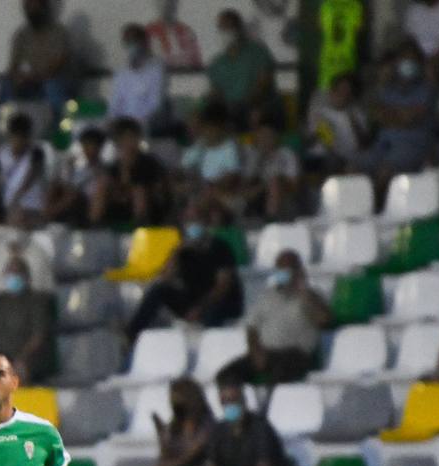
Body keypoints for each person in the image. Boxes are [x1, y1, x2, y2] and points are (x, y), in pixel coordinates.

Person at [126, 199, 243, 341]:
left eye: (196, 219)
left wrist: (200, 307)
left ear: (205, 222)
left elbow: (223, 286)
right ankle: (131, 334)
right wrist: (176, 252)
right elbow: (165, 277)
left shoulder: (220, 248)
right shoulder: (183, 250)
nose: (192, 224)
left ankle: (210, 348)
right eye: (189, 220)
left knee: (215, 312)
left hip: (219, 302)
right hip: (194, 299)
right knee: (158, 290)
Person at [219, 250, 331, 387]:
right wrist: (255, 351)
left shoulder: (311, 297)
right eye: (279, 268)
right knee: (226, 376)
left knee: (279, 376)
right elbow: (252, 327)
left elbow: (324, 321)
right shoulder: (267, 296)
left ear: (298, 271)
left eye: (287, 268)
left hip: (295, 355)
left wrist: (305, 294)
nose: (282, 272)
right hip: (265, 352)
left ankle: (270, 407)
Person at [363, 41, 438, 203]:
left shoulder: (426, 89)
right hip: (383, 145)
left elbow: (409, 120)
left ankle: (376, 214)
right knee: (354, 168)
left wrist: (390, 114)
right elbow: (378, 116)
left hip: (412, 147)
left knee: (384, 173)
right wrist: (398, 114)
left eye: (412, 60)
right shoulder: (388, 88)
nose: (407, 64)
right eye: (404, 59)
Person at [203, 374, 296, 466]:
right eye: (225, 402)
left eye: (234, 400)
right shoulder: (219, 430)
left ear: (243, 400)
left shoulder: (260, 427)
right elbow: (211, 464)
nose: (229, 405)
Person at [0, 257, 56, 385]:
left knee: (18, 369)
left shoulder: (37, 301)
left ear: (27, 276)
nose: (13, 276)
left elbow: (38, 337)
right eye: (10, 272)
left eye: (17, 273)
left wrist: (21, 358)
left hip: (26, 358)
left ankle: (19, 404)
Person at [0, 0, 73, 123]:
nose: (31, 11)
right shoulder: (21, 35)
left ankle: (57, 130)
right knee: (6, 85)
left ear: (44, 8)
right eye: (28, 7)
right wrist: (17, 78)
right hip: (27, 84)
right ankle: (7, 129)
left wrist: (35, 77)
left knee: (52, 86)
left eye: (35, 6)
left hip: (52, 80)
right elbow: (12, 66)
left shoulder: (58, 32)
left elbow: (58, 64)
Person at [206, 9, 280, 130]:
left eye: (228, 27)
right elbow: (215, 92)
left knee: (256, 113)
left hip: (257, 106)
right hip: (229, 111)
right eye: (221, 28)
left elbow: (262, 85)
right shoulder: (217, 63)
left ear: (238, 29)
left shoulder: (258, 52)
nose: (224, 32)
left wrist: (245, 105)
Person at [93, 117, 170, 226]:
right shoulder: (115, 164)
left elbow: (156, 188)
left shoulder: (150, 162)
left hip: (149, 203)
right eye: (125, 138)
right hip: (122, 200)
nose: (130, 142)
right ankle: (94, 226)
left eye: (133, 137)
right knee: (101, 187)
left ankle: (138, 226)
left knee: (138, 192)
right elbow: (116, 184)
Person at [178, 101, 243, 211]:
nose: (209, 132)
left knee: (211, 194)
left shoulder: (230, 148)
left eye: (213, 128)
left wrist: (210, 186)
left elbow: (232, 177)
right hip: (198, 189)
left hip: (220, 191)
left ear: (221, 128)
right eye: (207, 128)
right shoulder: (198, 147)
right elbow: (182, 170)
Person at [305, 72, 370, 175]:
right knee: (333, 162)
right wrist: (321, 132)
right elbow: (309, 142)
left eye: (348, 90)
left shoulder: (356, 113)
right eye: (340, 89)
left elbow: (363, 144)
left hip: (351, 158)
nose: (343, 93)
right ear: (333, 91)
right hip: (323, 156)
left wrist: (353, 123)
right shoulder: (320, 112)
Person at [109, 24, 170, 135]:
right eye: (127, 41)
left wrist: (137, 121)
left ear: (144, 42)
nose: (131, 45)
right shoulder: (121, 73)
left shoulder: (157, 69)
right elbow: (115, 104)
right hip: (123, 125)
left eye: (134, 40)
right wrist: (112, 120)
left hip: (147, 124)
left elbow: (156, 104)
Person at [0, 113, 48, 229]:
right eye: (17, 137)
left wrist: (16, 199)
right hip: (8, 205)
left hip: (32, 205)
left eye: (24, 137)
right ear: (10, 136)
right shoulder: (2, 153)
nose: (20, 142)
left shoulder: (36, 153)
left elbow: (31, 176)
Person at [242, 116, 301, 222]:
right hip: (258, 197)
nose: (265, 139)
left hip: (284, 198)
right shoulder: (253, 155)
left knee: (275, 182)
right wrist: (259, 159)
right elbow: (245, 184)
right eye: (262, 135)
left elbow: (294, 185)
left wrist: (272, 182)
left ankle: (271, 221)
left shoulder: (287, 154)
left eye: (268, 135)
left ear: (276, 136)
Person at [46, 127, 105, 226]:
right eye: (85, 145)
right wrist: (70, 171)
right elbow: (67, 186)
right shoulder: (78, 167)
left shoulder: (103, 170)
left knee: (74, 196)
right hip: (71, 203)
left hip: (88, 205)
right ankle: (48, 216)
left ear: (98, 147)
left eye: (91, 145)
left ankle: (89, 225)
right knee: (55, 186)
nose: (87, 149)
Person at [318, 0, 364, 92]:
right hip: (347, 59)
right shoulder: (356, 5)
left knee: (326, 94)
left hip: (328, 61)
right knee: (346, 92)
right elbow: (359, 29)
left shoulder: (326, 5)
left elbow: (320, 26)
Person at [405, 0, 439, 83]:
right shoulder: (414, 10)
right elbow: (411, 39)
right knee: (403, 67)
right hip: (420, 57)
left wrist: (435, 58)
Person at [146, 0, 201, 71]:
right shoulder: (148, 33)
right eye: (164, 2)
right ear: (157, 4)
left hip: (186, 79)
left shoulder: (187, 32)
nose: (168, 5)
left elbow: (197, 64)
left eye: (172, 2)